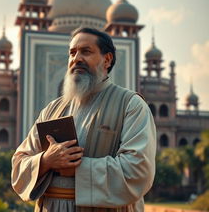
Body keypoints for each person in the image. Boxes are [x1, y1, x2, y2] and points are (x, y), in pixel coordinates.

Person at [11, 27, 156, 212]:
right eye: (72, 52)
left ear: (107, 59)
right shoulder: (52, 110)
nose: (76, 58)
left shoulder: (129, 105)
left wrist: (78, 169)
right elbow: (18, 163)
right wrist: (46, 160)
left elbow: (138, 170)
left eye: (86, 51)